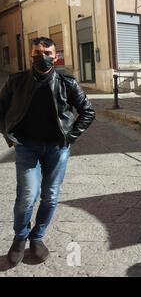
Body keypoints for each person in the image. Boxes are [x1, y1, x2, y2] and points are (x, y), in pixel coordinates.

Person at [0, 37, 95, 266]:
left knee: (50, 195)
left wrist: (70, 137)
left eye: (48, 52)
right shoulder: (16, 81)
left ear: (56, 56)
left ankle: (38, 237)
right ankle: (20, 238)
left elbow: (88, 111)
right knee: (27, 195)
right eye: (37, 52)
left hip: (56, 148)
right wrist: (8, 135)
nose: (42, 56)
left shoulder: (66, 82)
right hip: (27, 147)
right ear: (30, 54)